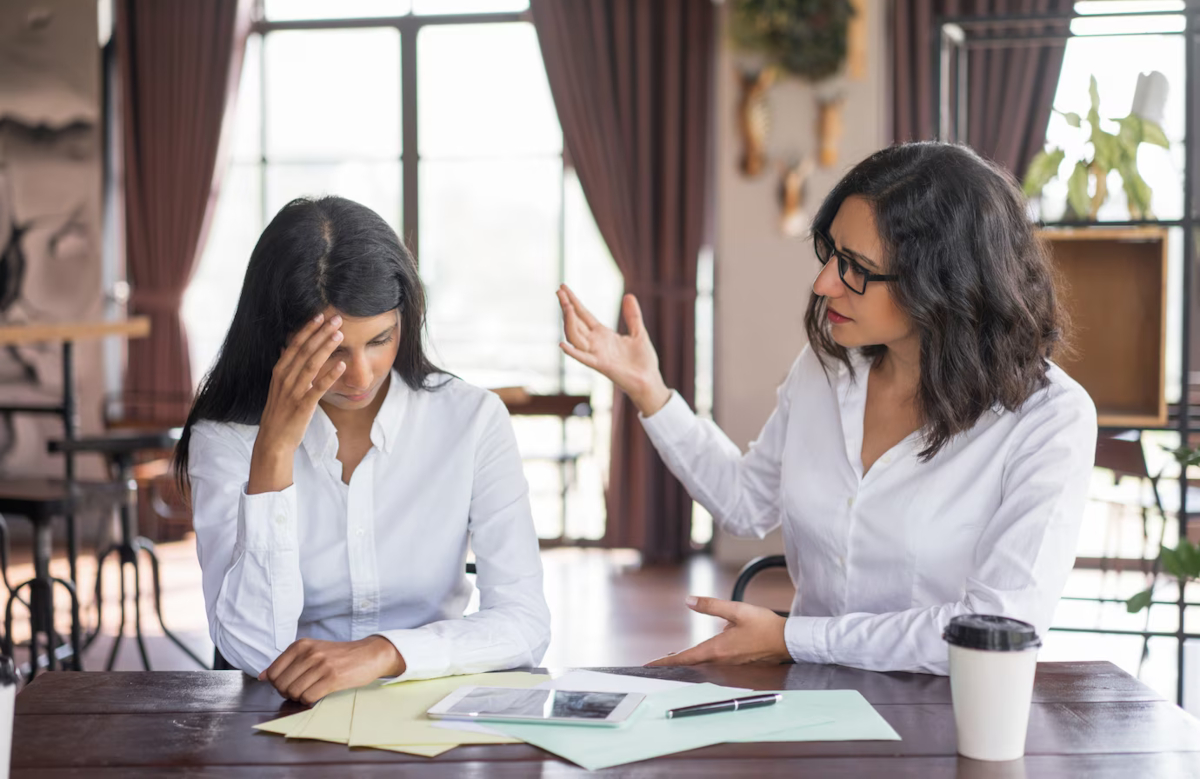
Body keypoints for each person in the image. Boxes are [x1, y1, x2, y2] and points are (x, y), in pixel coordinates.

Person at [557, 141, 1097, 675]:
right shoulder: (827, 369)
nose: (824, 283)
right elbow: (746, 503)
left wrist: (796, 638)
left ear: (945, 283)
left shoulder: (1050, 420)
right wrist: (650, 390)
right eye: (831, 253)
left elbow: (996, 625)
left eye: (856, 268)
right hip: (812, 699)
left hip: (945, 710)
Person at [175, 196, 550, 703]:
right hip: (284, 718)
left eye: (380, 339)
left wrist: (384, 652)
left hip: (431, 706)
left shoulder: (472, 421)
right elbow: (255, 650)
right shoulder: (226, 439)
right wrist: (274, 453)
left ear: (404, 321)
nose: (361, 375)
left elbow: (525, 623)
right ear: (278, 338)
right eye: (332, 349)